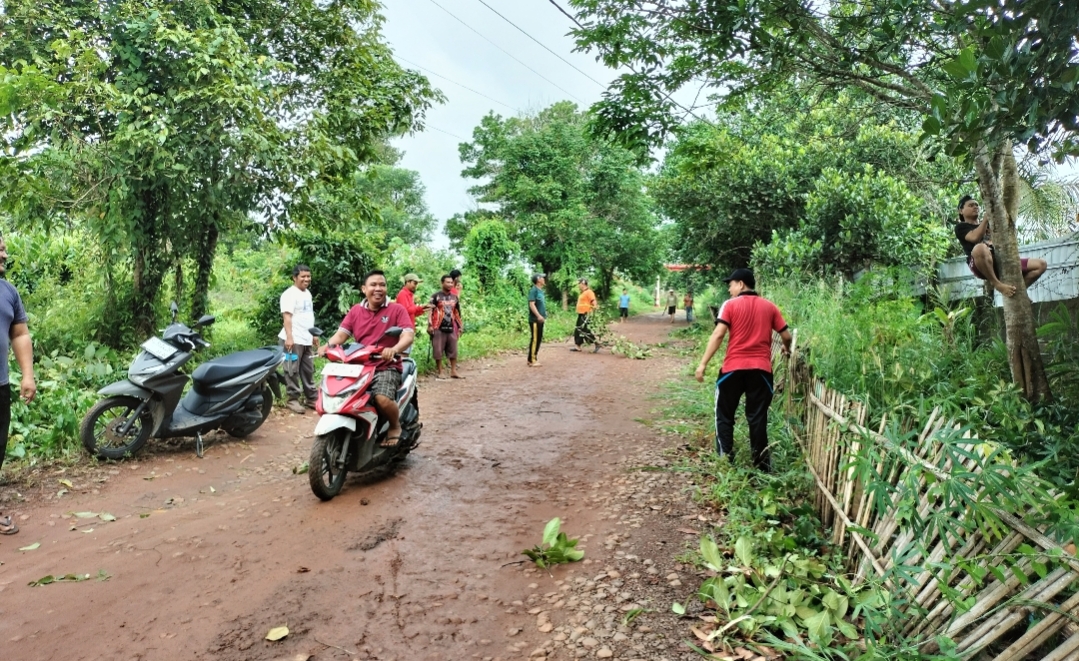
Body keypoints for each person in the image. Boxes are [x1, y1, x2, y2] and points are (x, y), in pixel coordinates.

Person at [695, 268, 791, 472]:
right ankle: (761, 466)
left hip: (733, 369)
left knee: (724, 414)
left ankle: (726, 460)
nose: (729, 290)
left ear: (740, 284)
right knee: (757, 418)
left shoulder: (729, 305)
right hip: (761, 371)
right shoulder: (770, 307)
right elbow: (786, 336)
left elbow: (719, 334)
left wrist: (702, 364)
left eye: (730, 285)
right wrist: (786, 348)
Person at [319, 270, 414, 447]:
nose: (378, 288)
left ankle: (395, 426)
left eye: (382, 285)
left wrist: (393, 349)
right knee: (339, 393)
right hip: (357, 367)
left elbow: (408, 335)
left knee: (381, 398)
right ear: (364, 289)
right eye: (373, 285)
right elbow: (341, 335)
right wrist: (327, 346)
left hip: (385, 366)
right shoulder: (356, 310)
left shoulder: (396, 310)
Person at [0, 235, 36, 535]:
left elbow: (20, 334)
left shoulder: (8, 292)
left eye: (3, 249)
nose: (4, 255)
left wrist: (27, 375)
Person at [955, 195, 1046, 296]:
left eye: (976, 205)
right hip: (980, 264)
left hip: (1000, 260)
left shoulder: (990, 224)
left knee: (1040, 265)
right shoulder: (961, 227)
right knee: (979, 248)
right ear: (961, 211)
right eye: (971, 205)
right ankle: (996, 284)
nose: (975, 207)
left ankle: (1018, 292)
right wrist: (985, 220)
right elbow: (974, 237)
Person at [279, 264, 318, 414]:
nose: (306, 279)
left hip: (306, 339)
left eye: (308, 276)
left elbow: (308, 315)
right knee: (291, 369)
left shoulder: (307, 293)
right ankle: (292, 399)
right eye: (303, 276)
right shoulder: (289, 294)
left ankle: (311, 398)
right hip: (293, 340)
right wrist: (289, 338)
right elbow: (287, 317)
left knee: (308, 369)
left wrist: (313, 334)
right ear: (294, 277)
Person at [429, 274, 463, 379]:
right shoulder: (435, 296)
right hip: (438, 326)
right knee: (438, 350)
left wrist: (460, 326)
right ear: (442, 283)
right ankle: (440, 372)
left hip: (451, 326)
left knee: (453, 349)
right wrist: (430, 325)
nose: (450, 284)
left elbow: (457, 312)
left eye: (451, 282)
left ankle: (453, 371)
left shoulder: (454, 297)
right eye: (447, 282)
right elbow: (430, 311)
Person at [572, 278, 599, 353]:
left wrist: (594, 308)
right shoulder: (583, 293)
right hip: (581, 313)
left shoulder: (589, 292)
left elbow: (593, 301)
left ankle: (596, 343)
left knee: (585, 330)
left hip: (586, 314)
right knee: (578, 329)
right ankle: (578, 346)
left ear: (583, 284)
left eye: (579, 284)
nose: (578, 285)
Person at [527, 273, 546, 367]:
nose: (544, 279)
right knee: (535, 339)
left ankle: (532, 358)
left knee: (538, 339)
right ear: (538, 280)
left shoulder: (540, 291)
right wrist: (538, 316)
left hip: (540, 320)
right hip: (535, 320)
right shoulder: (534, 290)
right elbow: (532, 304)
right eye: (542, 278)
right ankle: (532, 360)